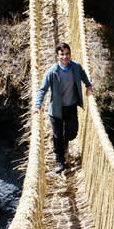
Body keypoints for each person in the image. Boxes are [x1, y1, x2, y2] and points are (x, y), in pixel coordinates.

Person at [33, 43, 94, 172]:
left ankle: (64, 143)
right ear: (57, 56)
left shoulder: (76, 67)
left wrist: (88, 84)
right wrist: (37, 106)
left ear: (70, 54)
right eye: (62, 54)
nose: (65, 57)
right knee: (57, 136)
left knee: (72, 133)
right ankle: (59, 161)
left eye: (67, 54)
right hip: (56, 110)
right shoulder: (52, 72)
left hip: (71, 106)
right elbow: (42, 90)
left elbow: (82, 74)